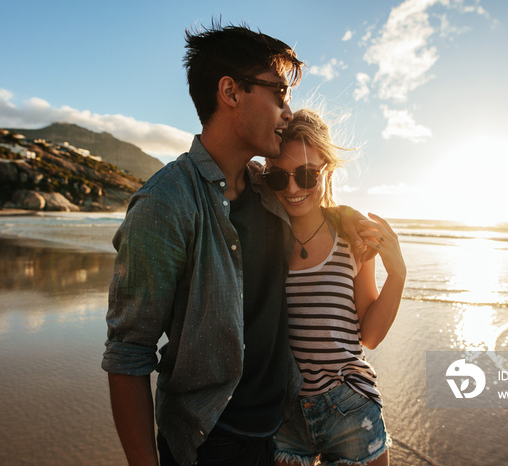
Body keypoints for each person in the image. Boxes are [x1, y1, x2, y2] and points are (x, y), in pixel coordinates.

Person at [102, 24, 369, 466]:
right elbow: (128, 352)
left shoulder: (270, 193)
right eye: (278, 95)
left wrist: (347, 217)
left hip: (284, 433)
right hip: (208, 442)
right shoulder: (165, 204)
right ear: (230, 91)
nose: (287, 112)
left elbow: (310, 200)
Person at [263, 109, 406, 466]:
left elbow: (369, 336)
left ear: (327, 168)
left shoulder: (350, 238)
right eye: (280, 178)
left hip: (349, 409)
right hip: (283, 414)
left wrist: (398, 274)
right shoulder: (263, 235)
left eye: (307, 175)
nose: (293, 188)